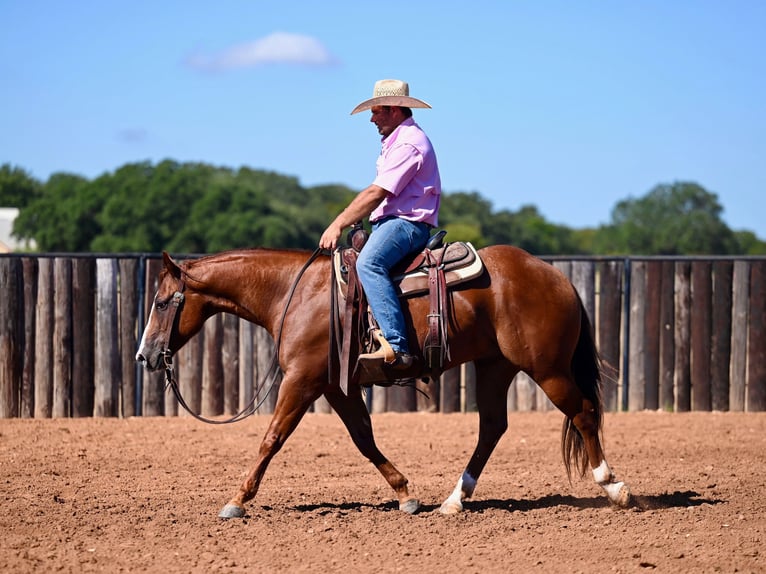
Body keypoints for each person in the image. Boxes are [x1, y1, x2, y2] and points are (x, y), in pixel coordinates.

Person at [319, 79, 441, 371]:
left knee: (369, 265)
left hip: (406, 225)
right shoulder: (396, 140)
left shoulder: (409, 143)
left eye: (377, 111)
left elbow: (377, 192)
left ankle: (397, 348)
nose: (372, 119)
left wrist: (338, 223)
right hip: (392, 222)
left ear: (395, 110)